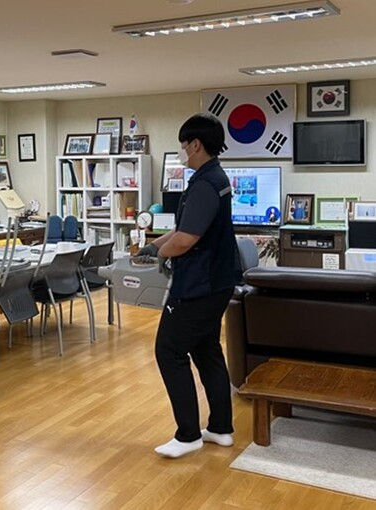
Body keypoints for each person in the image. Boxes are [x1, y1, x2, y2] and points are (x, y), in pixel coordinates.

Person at [136, 113, 238, 459]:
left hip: (198, 286)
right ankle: (221, 429)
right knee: (206, 350)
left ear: (195, 145)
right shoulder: (215, 178)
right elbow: (182, 230)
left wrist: (163, 254)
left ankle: (188, 435)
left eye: (183, 145)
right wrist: (154, 246)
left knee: (169, 350)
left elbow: (186, 239)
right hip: (217, 281)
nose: (182, 151)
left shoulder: (205, 185)